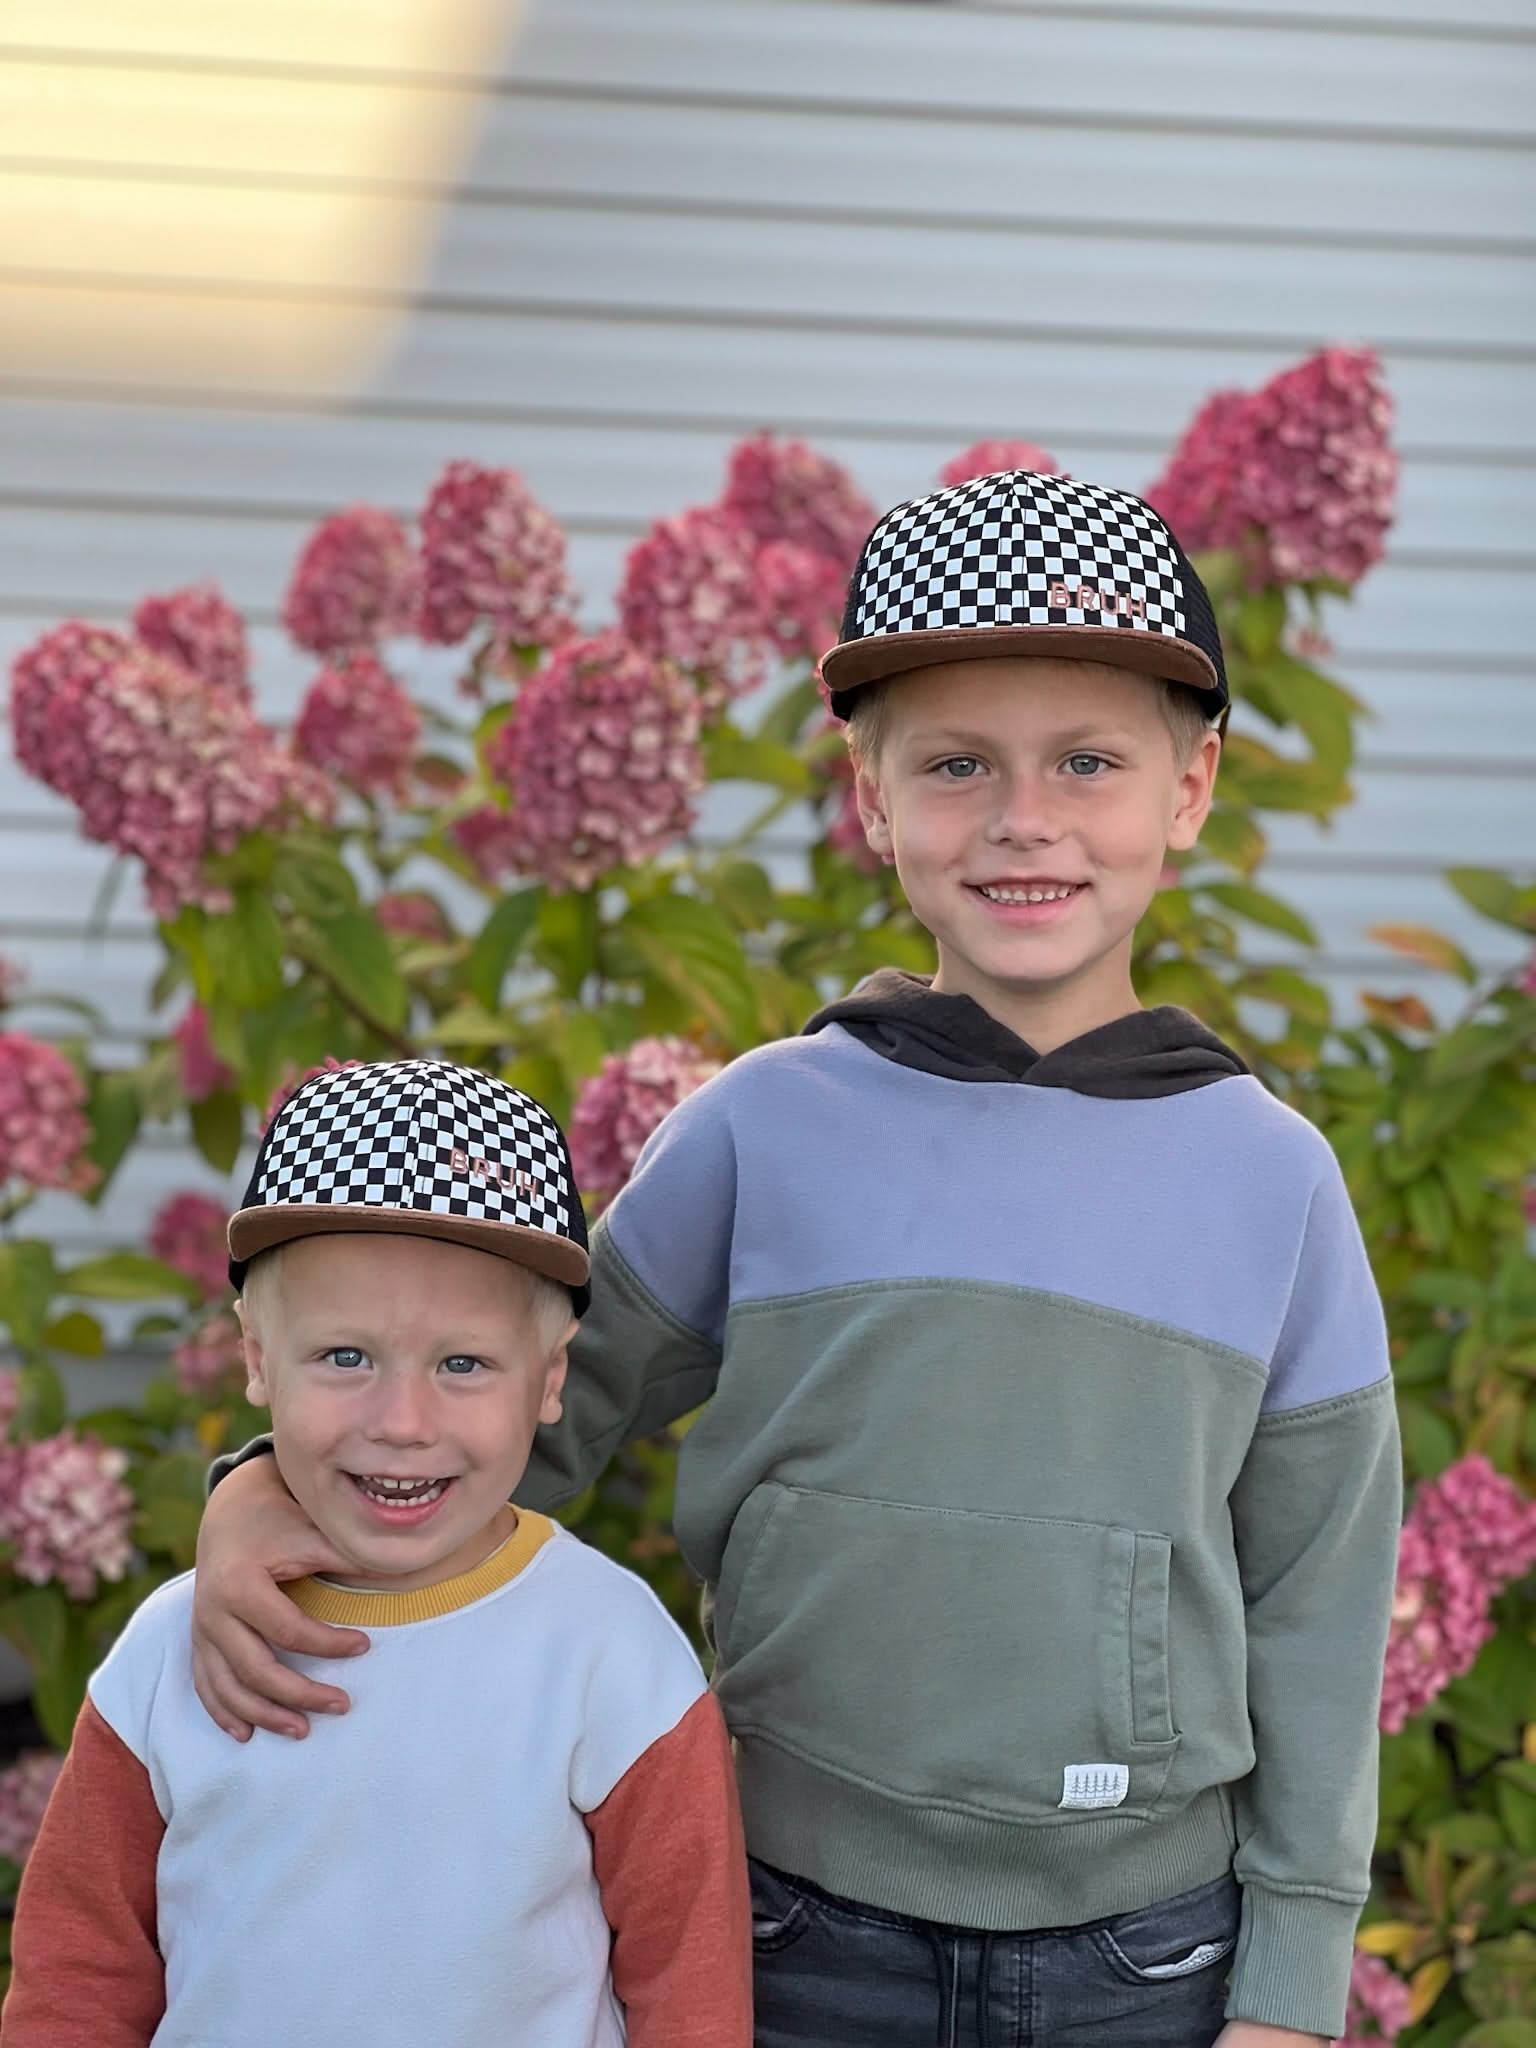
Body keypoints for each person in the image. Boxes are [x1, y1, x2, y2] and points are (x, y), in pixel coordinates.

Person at [186, 472, 1401, 2047]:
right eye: (956, 764)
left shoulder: (1271, 1181)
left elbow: (1320, 1600)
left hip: (1146, 1960)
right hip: (788, 1924)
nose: (1023, 818)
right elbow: (526, 1404)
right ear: (871, 796)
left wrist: (1292, 1983)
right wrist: (263, 1501)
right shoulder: (762, 1127)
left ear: (1190, 787)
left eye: (1087, 761)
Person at [4, 1061, 752, 2048]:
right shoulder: (169, 1652)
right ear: (258, 1358)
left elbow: (689, 1985)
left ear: (550, 1378)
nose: (402, 1421)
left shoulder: (611, 1652)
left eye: (464, 1362)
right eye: (345, 1356)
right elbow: (77, 1977)